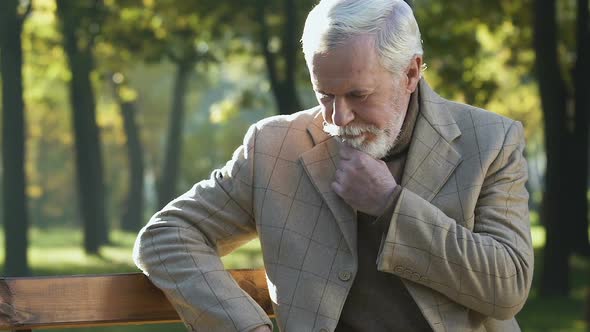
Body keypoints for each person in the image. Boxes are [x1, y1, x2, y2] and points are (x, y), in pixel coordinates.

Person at [133, 0, 533, 331]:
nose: (338, 117)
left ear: (411, 72)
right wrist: (246, 327)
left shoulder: (490, 140)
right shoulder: (274, 148)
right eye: (325, 94)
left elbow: (508, 285)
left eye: (358, 94)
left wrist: (391, 205)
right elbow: (167, 236)